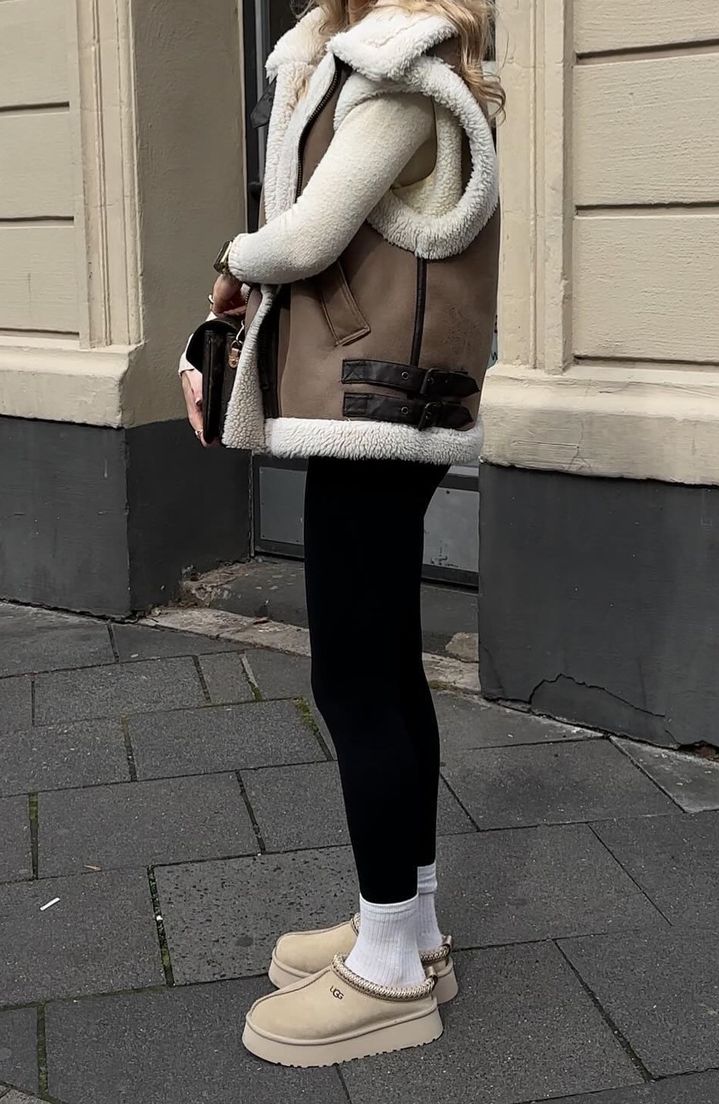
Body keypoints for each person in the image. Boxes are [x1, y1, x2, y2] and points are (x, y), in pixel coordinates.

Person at [180, 0, 502, 1068]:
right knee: (387, 676)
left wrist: (229, 257)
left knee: (356, 683)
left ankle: (389, 975)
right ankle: (405, 927)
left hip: (374, 413)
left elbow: (308, 235)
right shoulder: (349, 62)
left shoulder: (401, 73)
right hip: (372, 409)